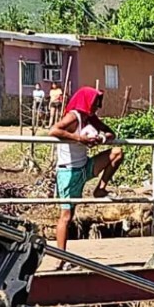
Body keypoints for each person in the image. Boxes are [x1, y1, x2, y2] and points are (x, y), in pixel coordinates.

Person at [50, 87, 124, 254]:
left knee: (117, 153)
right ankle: (60, 258)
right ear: (86, 102)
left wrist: (101, 138)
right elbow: (53, 130)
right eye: (95, 103)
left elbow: (110, 133)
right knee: (66, 216)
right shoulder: (73, 116)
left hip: (85, 166)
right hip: (69, 172)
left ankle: (100, 189)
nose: (98, 107)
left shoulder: (89, 118)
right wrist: (79, 138)